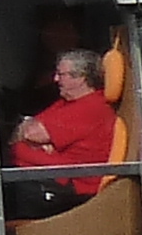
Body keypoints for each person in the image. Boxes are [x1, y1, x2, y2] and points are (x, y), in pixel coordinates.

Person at [9, 48, 122, 221]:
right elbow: (23, 129)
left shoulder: (91, 108)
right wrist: (36, 139)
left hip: (67, 186)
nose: (55, 79)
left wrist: (32, 139)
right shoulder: (65, 102)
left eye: (61, 74)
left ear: (81, 78)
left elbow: (29, 132)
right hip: (40, 175)